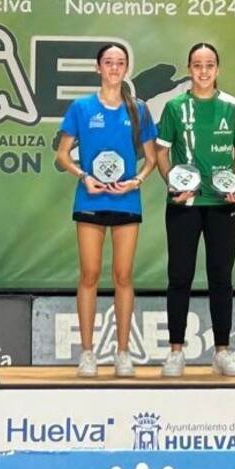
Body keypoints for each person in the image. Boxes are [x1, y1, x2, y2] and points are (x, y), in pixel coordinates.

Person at [55, 44, 157, 378]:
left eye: (120, 63)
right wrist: (84, 176)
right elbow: (62, 155)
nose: (114, 68)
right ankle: (87, 353)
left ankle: (123, 353)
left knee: (124, 276)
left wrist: (136, 181)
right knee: (90, 274)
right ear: (98, 67)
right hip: (91, 200)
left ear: (126, 68)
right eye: (108, 62)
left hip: (126, 201)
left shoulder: (138, 109)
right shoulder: (82, 108)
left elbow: (152, 158)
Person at [156, 42, 235, 378]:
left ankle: (222, 351)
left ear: (218, 69)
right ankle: (175, 351)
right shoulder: (174, 107)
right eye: (197, 65)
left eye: (210, 65)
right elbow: (162, 154)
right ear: (189, 68)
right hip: (185, 204)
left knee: (221, 279)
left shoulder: (231, 106)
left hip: (222, 205)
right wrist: (172, 184)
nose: (204, 71)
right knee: (179, 277)